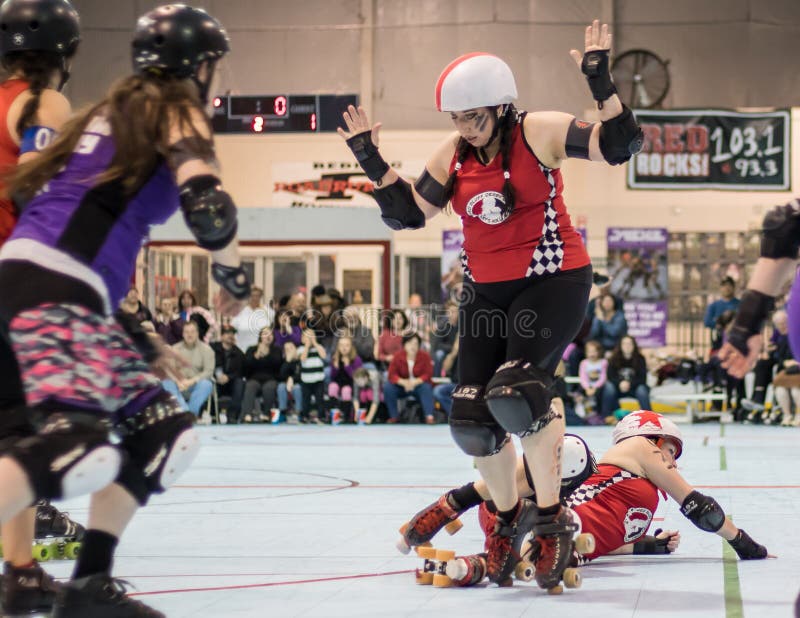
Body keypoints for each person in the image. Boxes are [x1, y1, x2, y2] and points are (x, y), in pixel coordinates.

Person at [339, 19, 642, 588]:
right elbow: (407, 214)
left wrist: (602, 87)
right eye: (456, 119)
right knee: (473, 422)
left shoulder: (539, 131)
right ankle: (506, 522)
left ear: (502, 107)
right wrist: (370, 160)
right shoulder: (453, 155)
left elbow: (619, 147)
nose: (466, 130)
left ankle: (550, 519)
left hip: (553, 282)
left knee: (518, 397)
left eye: (474, 118)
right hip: (485, 293)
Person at [0, 5, 250, 616]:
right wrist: (232, 274)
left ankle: (88, 588)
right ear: (198, 67)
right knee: (78, 452)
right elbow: (207, 202)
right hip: (58, 285)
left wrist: (127, 329)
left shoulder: (99, 113)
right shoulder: (173, 104)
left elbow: (38, 195)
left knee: (163, 433)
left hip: (60, 285)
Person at [399, 412, 770, 587]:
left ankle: (469, 566)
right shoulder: (639, 448)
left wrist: (641, 547)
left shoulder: (638, 490)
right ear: (651, 436)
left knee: (555, 552)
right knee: (574, 451)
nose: (672, 459)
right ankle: (453, 502)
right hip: (534, 511)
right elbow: (699, 508)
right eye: (670, 449)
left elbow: (596, 540)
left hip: (548, 538)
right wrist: (742, 541)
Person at [0, 0, 82, 613]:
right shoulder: (43, 101)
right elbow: (34, 180)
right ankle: (22, 572)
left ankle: (23, 569)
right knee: (18, 433)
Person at [161, 321, 215, 418]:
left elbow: (209, 371)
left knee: (207, 384)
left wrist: (191, 381)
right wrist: (178, 381)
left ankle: (190, 413)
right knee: (166, 383)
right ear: (183, 334)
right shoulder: (174, 349)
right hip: (178, 385)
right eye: (187, 332)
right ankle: (185, 412)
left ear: (197, 333)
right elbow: (169, 370)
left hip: (196, 385)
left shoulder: (207, 350)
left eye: (192, 332)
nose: (189, 335)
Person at [383, 332, 435, 424]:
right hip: (403, 386)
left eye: (415, 343)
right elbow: (391, 375)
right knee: (388, 387)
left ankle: (429, 416)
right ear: (404, 345)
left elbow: (428, 374)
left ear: (419, 345)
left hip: (418, 386)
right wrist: (403, 382)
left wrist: (415, 382)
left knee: (426, 387)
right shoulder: (397, 356)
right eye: (410, 343)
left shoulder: (425, 356)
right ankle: (394, 417)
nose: (413, 346)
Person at [601, 335, 650, 418]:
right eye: (624, 344)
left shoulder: (640, 358)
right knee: (608, 386)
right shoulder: (613, 358)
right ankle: (606, 416)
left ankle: (649, 416)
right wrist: (620, 383)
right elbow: (610, 377)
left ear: (634, 345)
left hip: (634, 388)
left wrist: (629, 383)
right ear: (620, 345)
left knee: (642, 389)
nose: (627, 346)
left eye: (630, 344)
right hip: (618, 388)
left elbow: (642, 378)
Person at [241, 326, 283, 423]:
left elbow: (278, 365)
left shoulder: (277, 350)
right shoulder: (251, 349)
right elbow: (246, 366)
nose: (268, 336)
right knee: (250, 386)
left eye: (270, 334)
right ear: (260, 337)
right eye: (265, 334)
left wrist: (267, 354)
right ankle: (247, 414)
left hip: (271, 379)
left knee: (269, 387)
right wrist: (256, 356)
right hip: (254, 379)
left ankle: (266, 414)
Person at [211, 324, 245, 424]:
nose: (230, 336)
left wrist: (228, 377)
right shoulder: (212, 348)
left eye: (232, 334)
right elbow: (209, 365)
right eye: (227, 333)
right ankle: (213, 415)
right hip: (215, 381)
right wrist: (217, 376)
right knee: (209, 385)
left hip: (231, 383)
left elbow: (240, 372)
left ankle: (232, 416)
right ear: (221, 336)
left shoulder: (239, 353)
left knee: (240, 383)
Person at [328, 336, 363, 423]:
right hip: (338, 383)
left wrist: (347, 366)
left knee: (345, 390)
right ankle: (333, 414)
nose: (344, 348)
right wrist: (335, 367)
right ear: (338, 347)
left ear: (351, 347)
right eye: (341, 345)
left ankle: (346, 416)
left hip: (351, 384)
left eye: (347, 345)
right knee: (332, 387)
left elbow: (356, 378)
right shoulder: (335, 358)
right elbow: (332, 377)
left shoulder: (356, 359)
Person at [231, 285, 274, 352]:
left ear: (260, 297)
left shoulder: (268, 311)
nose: (255, 298)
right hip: (242, 349)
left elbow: (271, 330)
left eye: (257, 296)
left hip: (262, 350)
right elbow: (232, 330)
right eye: (252, 295)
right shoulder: (239, 311)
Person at [298, 328, 327, 423]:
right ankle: (305, 416)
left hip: (318, 379)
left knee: (320, 400)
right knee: (305, 400)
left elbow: (324, 356)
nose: (309, 338)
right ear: (302, 339)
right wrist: (307, 346)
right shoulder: (301, 349)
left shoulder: (319, 347)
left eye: (311, 336)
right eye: (307, 336)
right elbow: (302, 359)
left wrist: (315, 343)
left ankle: (321, 416)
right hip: (306, 380)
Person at [704, 276, 740, 349]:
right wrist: (721, 326)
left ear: (734, 288)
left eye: (729, 285)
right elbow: (707, 322)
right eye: (724, 285)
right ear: (720, 288)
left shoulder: (740, 304)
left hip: (737, 341)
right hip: (719, 341)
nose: (727, 288)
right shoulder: (714, 305)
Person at [577, 340, 607, 422]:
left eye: (594, 351)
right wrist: (587, 388)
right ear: (586, 352)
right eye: (589, 352)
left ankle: (599, 414)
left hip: (599, 386)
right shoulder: (584, 363)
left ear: (599, 352)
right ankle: (583, 414)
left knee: (602, 393)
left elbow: (603, 377)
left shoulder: (603, 362)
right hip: (586, 386)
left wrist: (594, 387)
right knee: (579, 392)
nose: (592, 354)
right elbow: (583, 377)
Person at [277, 341, 303, 423]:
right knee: (281, 387)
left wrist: (292, 379)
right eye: (286, 349)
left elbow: (301, 375)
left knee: (297, 388)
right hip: (285, 384)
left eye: (291, 348)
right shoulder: (282, 361)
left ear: (295, 349)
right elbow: (281, 375)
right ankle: (282, 412)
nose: (289, 351)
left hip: (298, 383)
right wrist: (288, 361)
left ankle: (299, 412)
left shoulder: (300, 360)